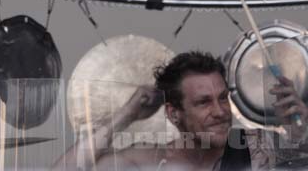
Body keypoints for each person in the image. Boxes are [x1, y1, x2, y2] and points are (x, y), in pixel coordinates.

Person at [56, 51, 308, 170]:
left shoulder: (255, 148)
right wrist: (126, 114)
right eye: (203, 102)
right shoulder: (148, 161)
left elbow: (300, 159)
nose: (220, 111)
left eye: (223, 98)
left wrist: (301, 134)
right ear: (173, 113)